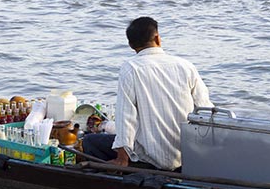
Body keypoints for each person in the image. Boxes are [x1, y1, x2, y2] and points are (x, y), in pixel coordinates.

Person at [82, 17, 214, 171]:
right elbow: (206, 111)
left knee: (89, 141)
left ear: (131, 45)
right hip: (183, 157)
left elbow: (126, 118)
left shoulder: (131, 68)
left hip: (150, 159)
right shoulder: (186, 66)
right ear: (157, 38)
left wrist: (122, 159)